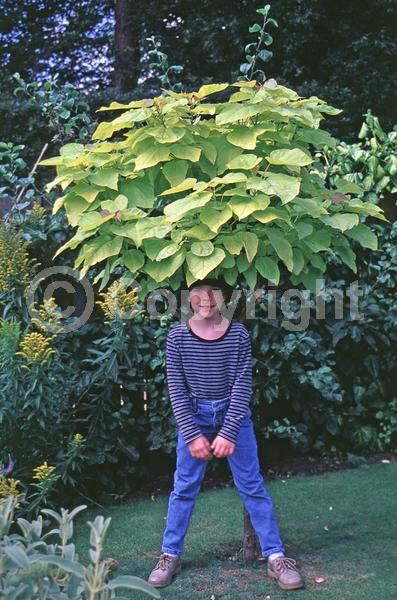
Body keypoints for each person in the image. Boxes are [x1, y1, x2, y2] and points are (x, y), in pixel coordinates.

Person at [147, 277, 304, 591]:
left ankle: (276, 558)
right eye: (197, 292)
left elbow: (242, 386)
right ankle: (169, 556)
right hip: (195, 416)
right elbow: (176, 390)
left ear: (225, 296)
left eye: (213, 292)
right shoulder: (177, 337)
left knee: (252, 486)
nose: (205, 299)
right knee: (183, 488)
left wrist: (229, 431)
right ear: (187, 297)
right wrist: (192, 435)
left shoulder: (237, 335)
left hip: (233, 416)